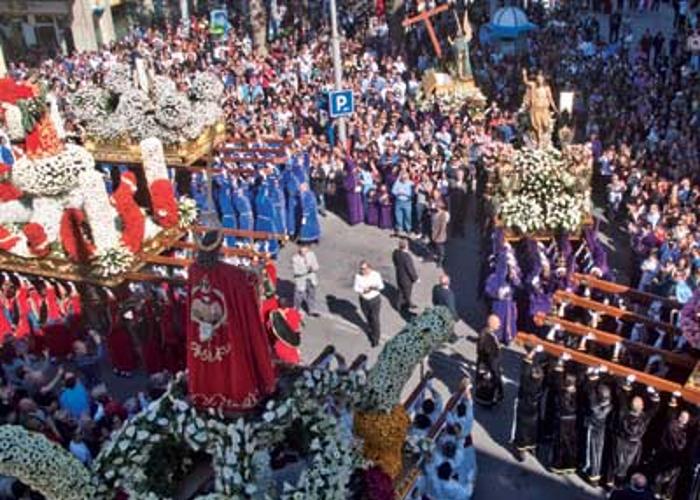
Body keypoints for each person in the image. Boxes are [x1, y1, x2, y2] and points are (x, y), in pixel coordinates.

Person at [607, 377, 660, 488]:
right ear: (642, 407)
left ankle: (610, 482)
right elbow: (654, 409)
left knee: (615, 461)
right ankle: (626, 485)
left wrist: (627, 384)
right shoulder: (644, 418)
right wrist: (654, 394)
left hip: (620, 443)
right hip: (634, 446)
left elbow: (622, 399)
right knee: (630, 465)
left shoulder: (624, 413)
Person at [511, 346, 544, 462]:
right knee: (532, 429)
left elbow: (525, 366)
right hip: (534, 409)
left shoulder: (526, 382)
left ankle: (521, 449)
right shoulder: (539, 384)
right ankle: (531, 447)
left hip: (524, 407)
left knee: (522, 429)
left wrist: (533, 352)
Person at [582, 367, 613, 486]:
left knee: (593, 454)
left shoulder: (595, 407)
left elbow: (590, 392)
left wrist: (594, 375)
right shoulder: (609, 406)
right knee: (599, 453)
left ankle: (593, 476)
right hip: (602, 431)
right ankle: (595, 475)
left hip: (594, 432)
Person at [353, 260, 384, 347]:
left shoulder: (375, 275)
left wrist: (373, 287)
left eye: (364, 269)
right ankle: (371, 329)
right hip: (364, 300)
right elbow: (355, 288)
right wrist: (363, 290)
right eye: (361, 269)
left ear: (369, 268)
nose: (362, 271)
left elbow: (381, 286)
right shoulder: (358, 276)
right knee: (368, 318)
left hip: (374, 300)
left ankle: (375, 339)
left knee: (375, 319)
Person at [475, 314, 503, 405]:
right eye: (498, 323)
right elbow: (492, 359)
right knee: (488, 385)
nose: (500, 324)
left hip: (483, 364)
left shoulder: (484, 332)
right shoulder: (488, 340)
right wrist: (496, 373)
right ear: (492, 324)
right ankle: (487, 401)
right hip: (489, 366)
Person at [291, 245, 320, 317]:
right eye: (302, 249)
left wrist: (313, 268)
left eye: (305, 249)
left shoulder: (311, 255)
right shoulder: (295, 258)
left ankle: (311, 310)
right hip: (301, 279)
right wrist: (307, 269)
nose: (304, 251)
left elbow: (316, 266)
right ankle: (295, 310)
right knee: (299, 296)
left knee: (311, 294)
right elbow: (296, 272)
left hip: (311, 278)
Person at [392, 239, 418, 315]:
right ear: (406, 246)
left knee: (401, 291)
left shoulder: (395, 253)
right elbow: (410, 269)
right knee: (407, 292)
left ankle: (402, 304)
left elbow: (395, 262)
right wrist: (415, 278)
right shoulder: (406, 257)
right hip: (406, 279)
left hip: (399, 275)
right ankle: (405, 304)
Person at [431, 201, 449, 268]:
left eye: (437, 206)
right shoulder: (436, 213)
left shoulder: (443, 215)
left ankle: (441, 261)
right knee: (438, 248)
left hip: (440, 236)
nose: (436, 207)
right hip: (435, 233)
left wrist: (438, 236)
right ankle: (439, 258)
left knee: (440, 249)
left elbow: (442, 227)